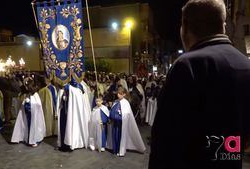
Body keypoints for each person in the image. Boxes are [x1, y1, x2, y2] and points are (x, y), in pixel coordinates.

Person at [149, 0, 250, 169]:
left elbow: (165, 140)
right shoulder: (245, 65)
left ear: (185, 27)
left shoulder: (188, 65)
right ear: (223, 25)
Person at [107, 86, 146, 157]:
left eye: (120, 94)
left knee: (120, 137)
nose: (118, 95)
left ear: (124, 94)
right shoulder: (116, 101)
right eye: (117, 93)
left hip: (121, 125)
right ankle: (115, 149)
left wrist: (120, 115)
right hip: (115, 124)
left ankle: (120, 150)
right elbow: (112, 110)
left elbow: (127, 114)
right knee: (115, 136)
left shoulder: (126, 103)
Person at [56, 78, 90, 151]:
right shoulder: (78, 86)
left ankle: (72, 142)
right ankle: (69, 142)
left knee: (72, 124)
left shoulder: (78, 87)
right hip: (66, 111)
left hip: (69, 112)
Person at [11, 78, 46, 147]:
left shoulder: (35, 95)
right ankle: (26, 137)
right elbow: (23, 105)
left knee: (34, 126)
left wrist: (29, 103)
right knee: (26, 125)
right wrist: (26, 102)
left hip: (34, 115)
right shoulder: (28, 95)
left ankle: (34, 139)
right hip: (28, 114)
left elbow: (37, 105)